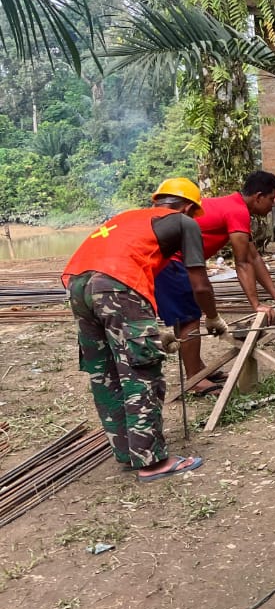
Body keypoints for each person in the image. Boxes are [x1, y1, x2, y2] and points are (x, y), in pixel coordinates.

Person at [61, 178, 230, 481]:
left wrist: (151, 330)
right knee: (142, 372)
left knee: (106, 371)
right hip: (116, 285)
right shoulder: (182, 222)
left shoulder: (128, 218)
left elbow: (137, 272)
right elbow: (200, 282)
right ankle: (152, 463)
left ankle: (128, 452)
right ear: (189, 207)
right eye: (194, 214)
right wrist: (213, 317)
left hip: (77, 284)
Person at [156, 170, 275, 392]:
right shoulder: (238, 211)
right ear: (258, 196)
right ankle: (195, 380)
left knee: (188, 315)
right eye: (271, 200)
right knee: (189, 317)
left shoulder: (234, 207)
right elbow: (242, 263)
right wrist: (256, 305)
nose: (271, 206)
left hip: (175, 261)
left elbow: (253, 256)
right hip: (171, 262)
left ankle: (199, 369)